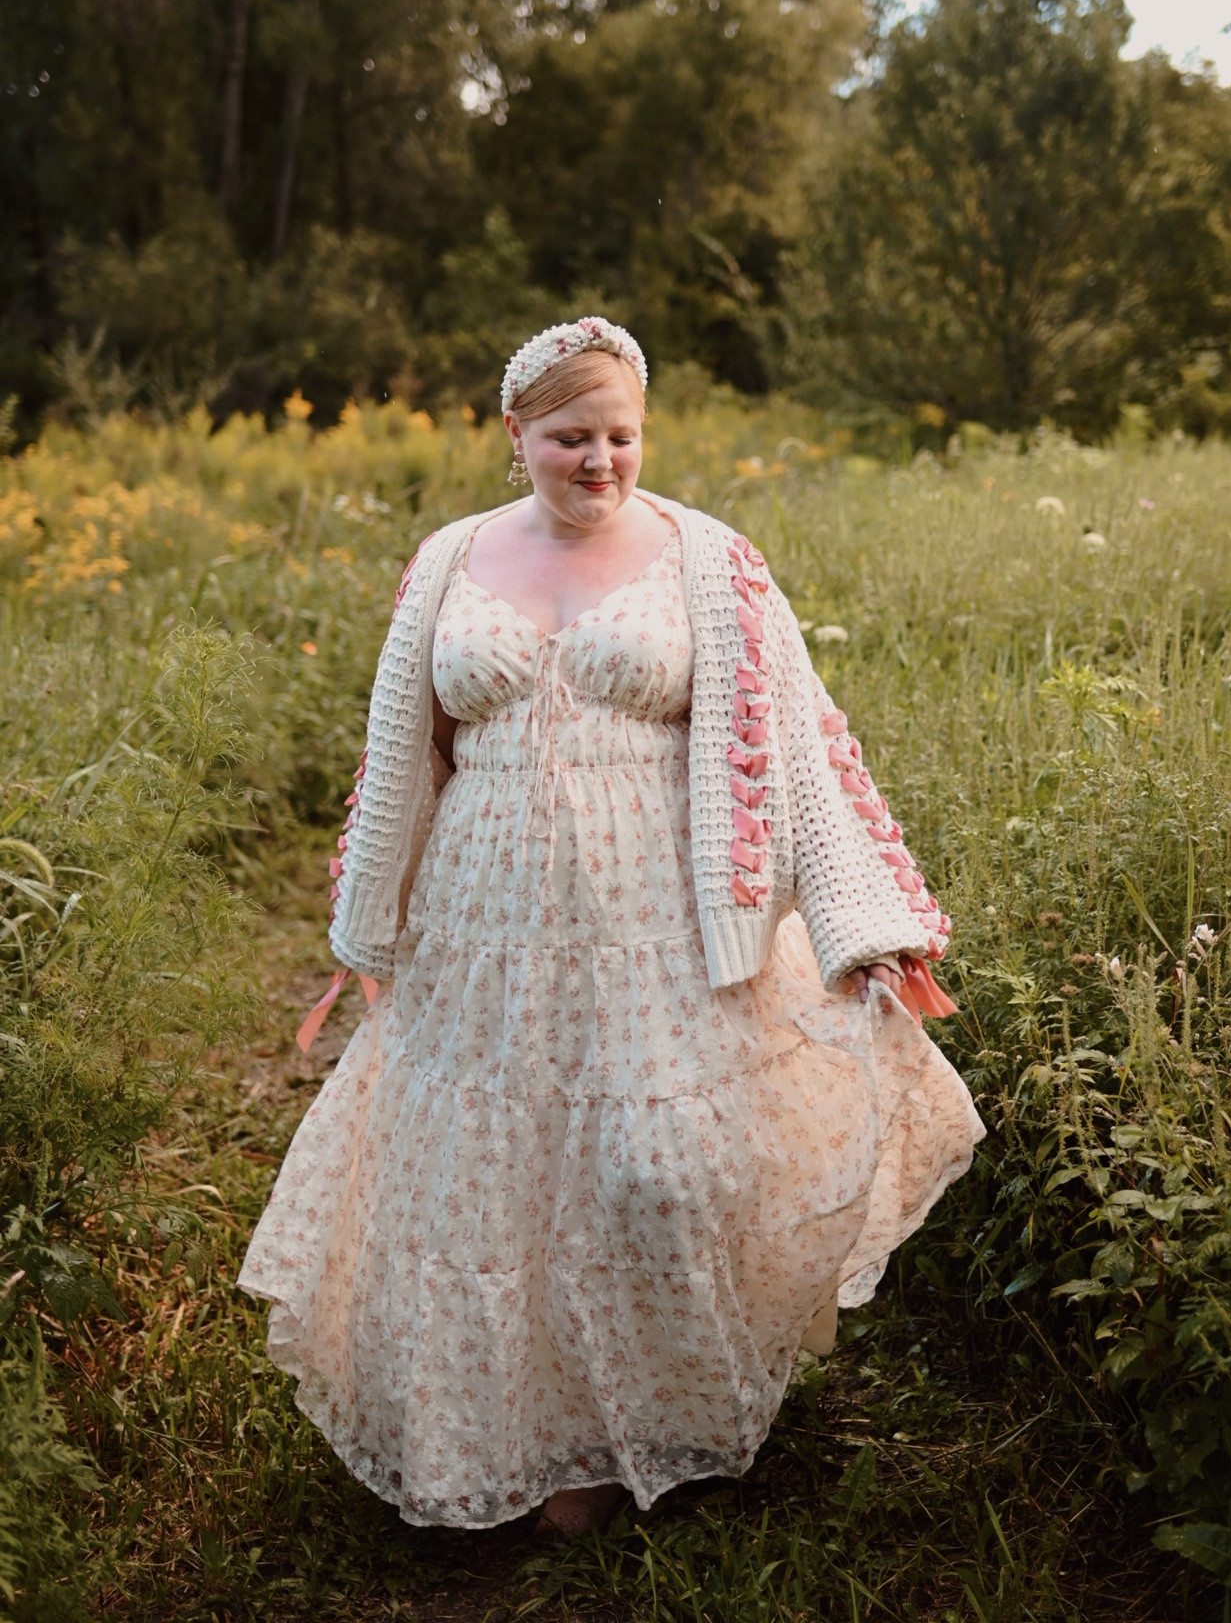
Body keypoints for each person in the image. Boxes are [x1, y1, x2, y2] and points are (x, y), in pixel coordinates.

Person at [239, 316, 983, 1538]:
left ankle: (665, 1415)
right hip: (485, 926)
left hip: (661, 925)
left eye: (622, 435)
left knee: (655, 1172)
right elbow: (405, 752)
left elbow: (793, 744)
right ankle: (540, 1453)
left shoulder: (713, 560)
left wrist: (861, 921)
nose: (600, 460)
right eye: (571, 436)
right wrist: (372, 918)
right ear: (515, 433)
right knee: (491, 1187)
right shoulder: (447, 560)